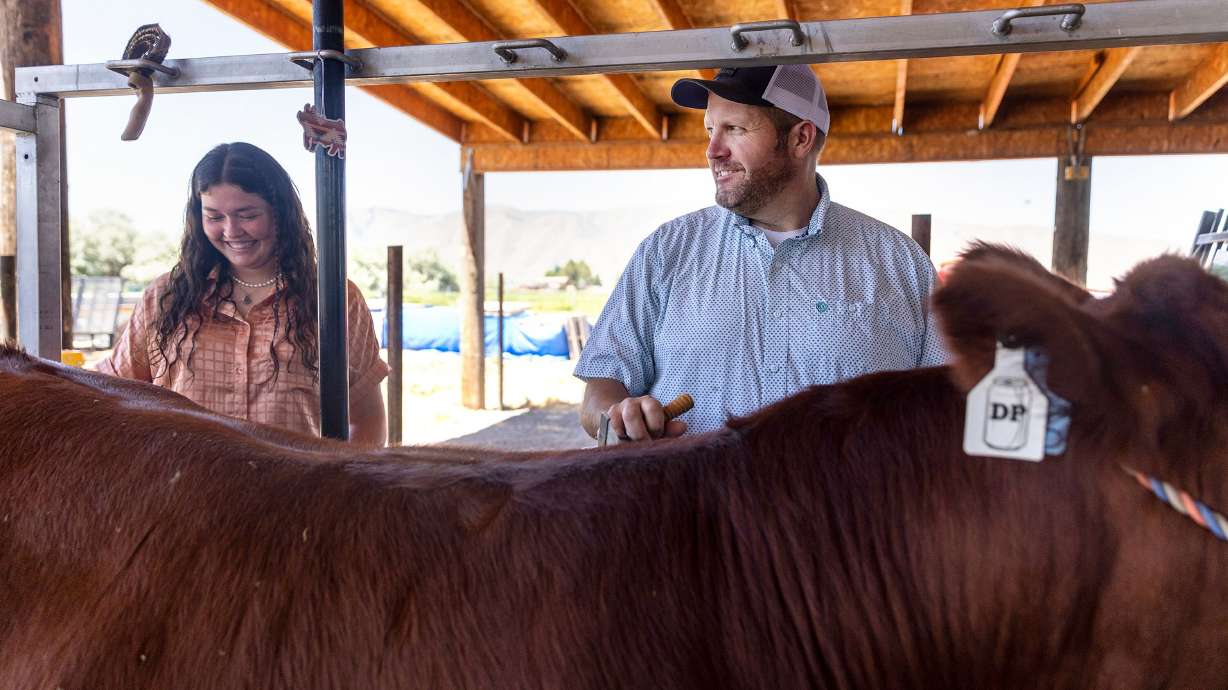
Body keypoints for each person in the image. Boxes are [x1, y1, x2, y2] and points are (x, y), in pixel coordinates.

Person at [575, 64, 947, 442]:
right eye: (710, 129)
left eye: (734, 129)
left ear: (801, 138)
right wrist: (618, 417)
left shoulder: (900, 263)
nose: (712, 150)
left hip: (845, 504)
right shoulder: (667, 250)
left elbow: (949, 407)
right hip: (693, 502)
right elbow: (601, 389)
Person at [97, 142, 389, 444]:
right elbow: (109, 396)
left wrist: (337, 488)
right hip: (180, 489)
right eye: (214, 217)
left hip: (294, 490)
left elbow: (366, 422)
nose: (231, 230)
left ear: (280, 213)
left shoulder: (333, 299)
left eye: (247, 215)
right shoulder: (165, 297)